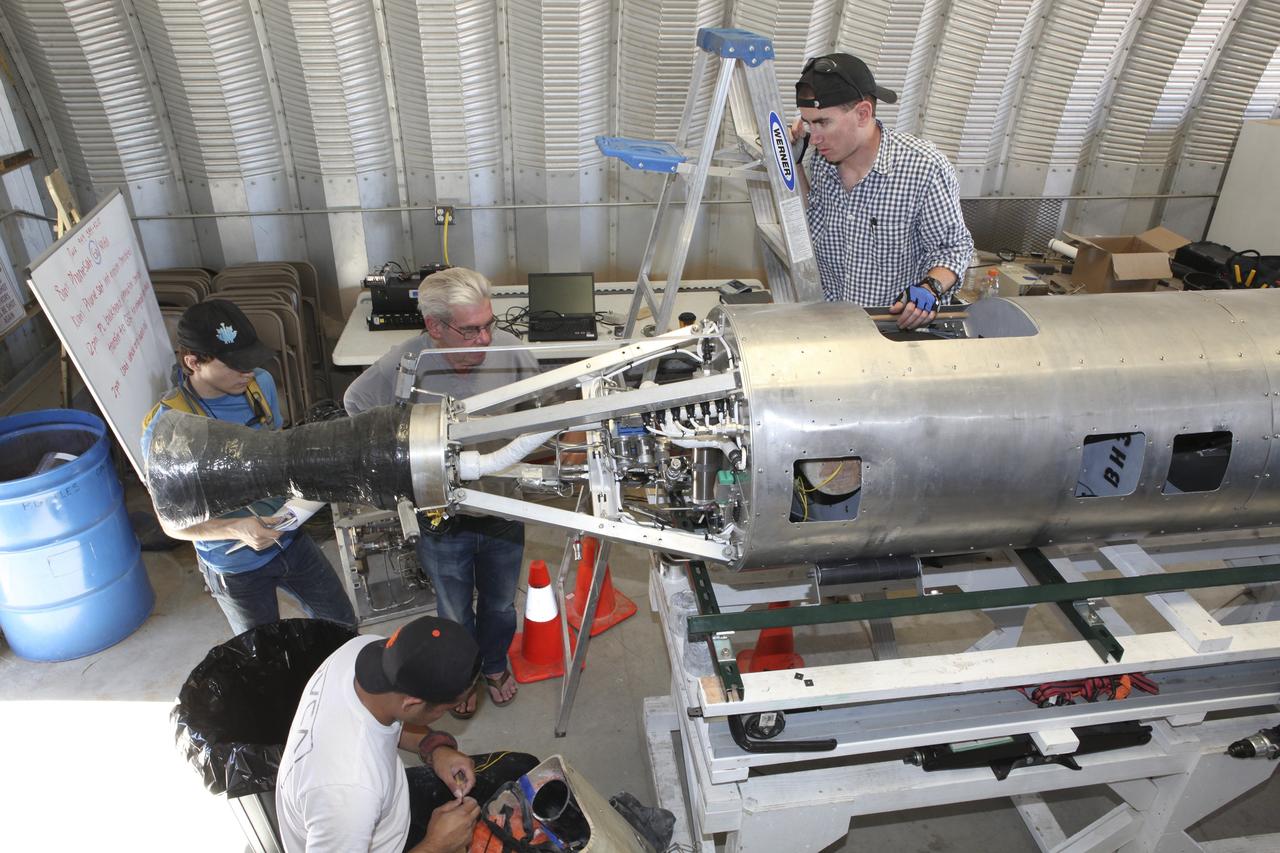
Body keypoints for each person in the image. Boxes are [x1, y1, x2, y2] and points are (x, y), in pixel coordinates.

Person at [345, 267, 539, 718]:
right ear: (434, 327)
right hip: (441, 519)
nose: (485, 340)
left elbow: (539, 406)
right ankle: (461, 677)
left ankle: (492, 663)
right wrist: (400, 464)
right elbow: (356, 404)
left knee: (499, 603)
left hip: (502, 507)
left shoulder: (509, 352)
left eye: (489, 324)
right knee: (453, 609)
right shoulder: (406, 365)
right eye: (470, 330)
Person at [141, 299, 356, 636]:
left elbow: (277, 450)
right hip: (235, 564)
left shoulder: (260, 385)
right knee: (263, 657)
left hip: (290, 537)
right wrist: (237, 528)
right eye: (235, 365)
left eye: (251, 361)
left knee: (342, 624)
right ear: (193, 362)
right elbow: (173, 525)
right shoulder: (169, 429)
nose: (248, 372)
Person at [275, 614, 538, 852]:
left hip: (384, 812)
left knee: (525, 770)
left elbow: (383, 724)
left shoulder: (363, 652)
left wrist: (434, 748)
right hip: (374, 834)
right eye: (448, 708)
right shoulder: (349, 796)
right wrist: (436, 845)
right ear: (411, 703)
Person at [793, 53, 974, 330]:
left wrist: (931, 287)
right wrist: (792, 163)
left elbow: (953, 248)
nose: (814, 137)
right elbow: (809, 219)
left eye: (822, 122)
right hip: (830, 330)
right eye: (807, 123)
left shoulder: (923, 167)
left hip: (892, 335)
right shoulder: (820, 160)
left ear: (863, 114)